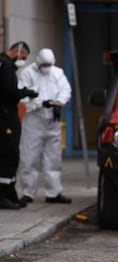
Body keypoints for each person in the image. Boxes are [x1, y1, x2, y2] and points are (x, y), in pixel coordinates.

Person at [18, 48, 72, 205]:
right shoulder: (28, 73)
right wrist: (41, 103)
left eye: (49, 64)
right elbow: (22, 96)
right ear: (39, 63)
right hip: (34, 121)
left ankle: (53, 193)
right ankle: (28, 192)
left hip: (52, 122)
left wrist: (59, 103)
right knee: (29, 158)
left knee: (53, 159)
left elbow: (65, 90)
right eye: (45, 64)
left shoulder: (57, 73)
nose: (47, 67)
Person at [0, 41, 38, 209]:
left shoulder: (3, 64)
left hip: (5, 115)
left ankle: (10, 194)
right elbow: (10, 92)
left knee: (9, 154)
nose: (23, 60)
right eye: (23, 57)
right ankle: (4, 195)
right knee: (10, 154)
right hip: (5, 116)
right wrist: (28, 93)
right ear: (17, 51)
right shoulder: (6, 66)